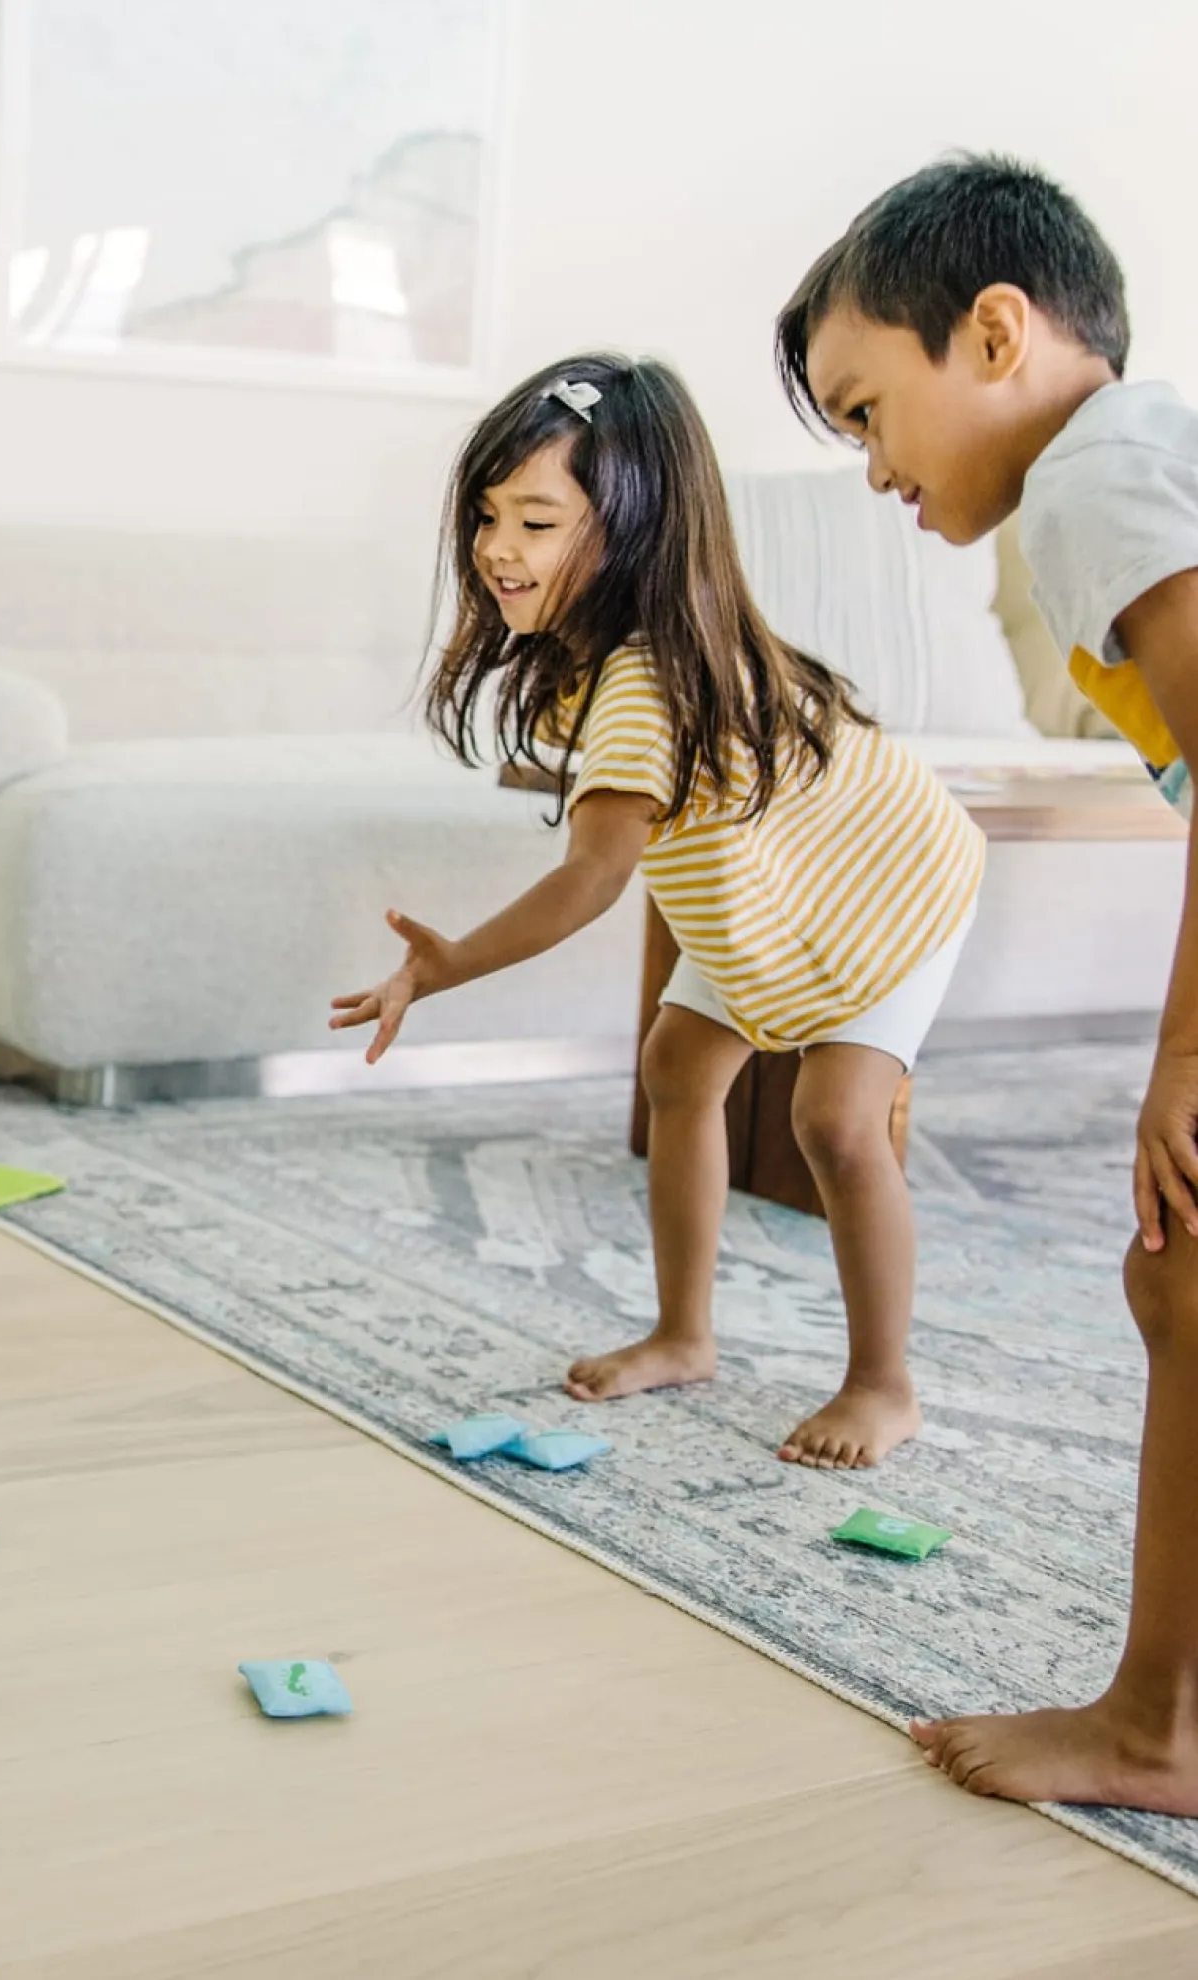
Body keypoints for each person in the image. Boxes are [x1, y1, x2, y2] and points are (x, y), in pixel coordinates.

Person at [330, 354, 984, 1470]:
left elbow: (591, 880)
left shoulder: (641, 682)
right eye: (490, 516)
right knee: (682, 1068)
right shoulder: (611, 658)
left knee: (833, 1120)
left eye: (537, 520)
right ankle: (685, 1335)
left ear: (633, 530)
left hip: (888, 886)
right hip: (768, 897)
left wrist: (449, 965)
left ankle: (885, 1384)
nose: (498, 547)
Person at [778, 152, 1198, 1814]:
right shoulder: (1125, 465)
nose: (871, 468)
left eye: (869, 409)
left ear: (999, 332)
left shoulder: (1100, 475)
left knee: (1186, 1269)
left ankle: (1162, 1733)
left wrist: (1182, 1065)